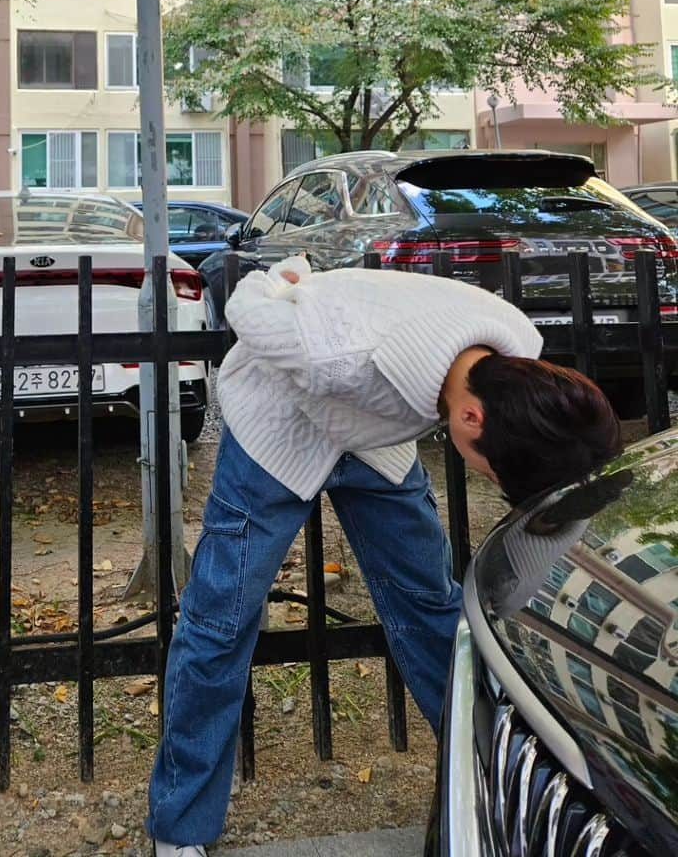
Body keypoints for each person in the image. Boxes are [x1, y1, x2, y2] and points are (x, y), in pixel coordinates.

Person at [147, 255, 622, 854]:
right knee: (221, 619)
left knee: (432, 609)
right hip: (280, 429)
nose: (485, 479)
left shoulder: (516, 350)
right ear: (471, 417)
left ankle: (490, 789)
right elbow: (246, 306)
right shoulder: (342, 355)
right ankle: (179, 825)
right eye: (490, 471)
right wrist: (284, 279)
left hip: (375, 440)